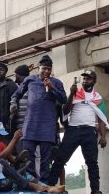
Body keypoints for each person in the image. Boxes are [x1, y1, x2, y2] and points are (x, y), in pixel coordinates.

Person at [48, 70, 109, 194]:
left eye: (88, 79)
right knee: (60, 159)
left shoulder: (97, 98)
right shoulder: (76, 94)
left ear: (94, 81)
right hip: (73, 130)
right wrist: (71, 94)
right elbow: (65, 110)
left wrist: (103, 137)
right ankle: (50, 185)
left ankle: (95, 191)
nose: (85, 81)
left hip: (89, 132)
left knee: (92, 163)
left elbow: (102, 119)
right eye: (84, 79)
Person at [10, 55, 67, 184]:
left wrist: (52, 87)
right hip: (30, 124)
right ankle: (31, 182)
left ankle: (44, 183)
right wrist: (13, 104)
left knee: (45, 159)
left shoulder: (57, 82)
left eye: (49, 69)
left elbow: (63, 99)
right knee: (27, 155)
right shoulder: (30, 80)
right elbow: (16, 94)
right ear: (38, 68)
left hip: (48, 126)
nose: (46, 71)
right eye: (44, 68)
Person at [0, 121, 65, 193]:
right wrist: (14, 139)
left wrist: (20, 158)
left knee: (22, 174)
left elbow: (12, 159)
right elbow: (0, 157)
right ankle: (36, 187)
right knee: (3, 163)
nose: (2, 137)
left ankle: (47, 188)